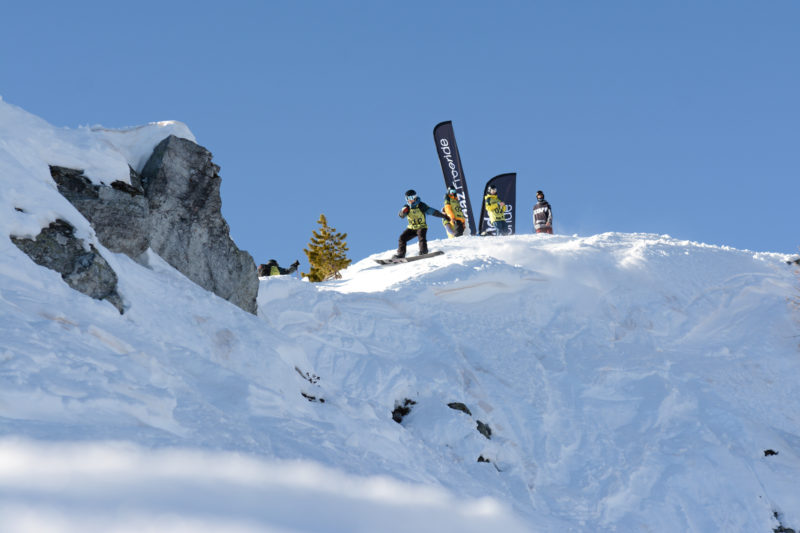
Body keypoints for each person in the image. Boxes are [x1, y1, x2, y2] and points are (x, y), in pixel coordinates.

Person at [394, 189, 450, 258]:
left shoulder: (421, 206)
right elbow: (401, 216)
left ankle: (423, 251)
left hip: (421, 226)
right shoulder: (407, 207)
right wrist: (403, 212)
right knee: (402, 238)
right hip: (411, 228)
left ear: (415, 197)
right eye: (407, 198)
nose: (410, 200)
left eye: (411, 197)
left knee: (421, 237)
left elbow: (433, 212)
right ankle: (401, 254)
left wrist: (444, 216)